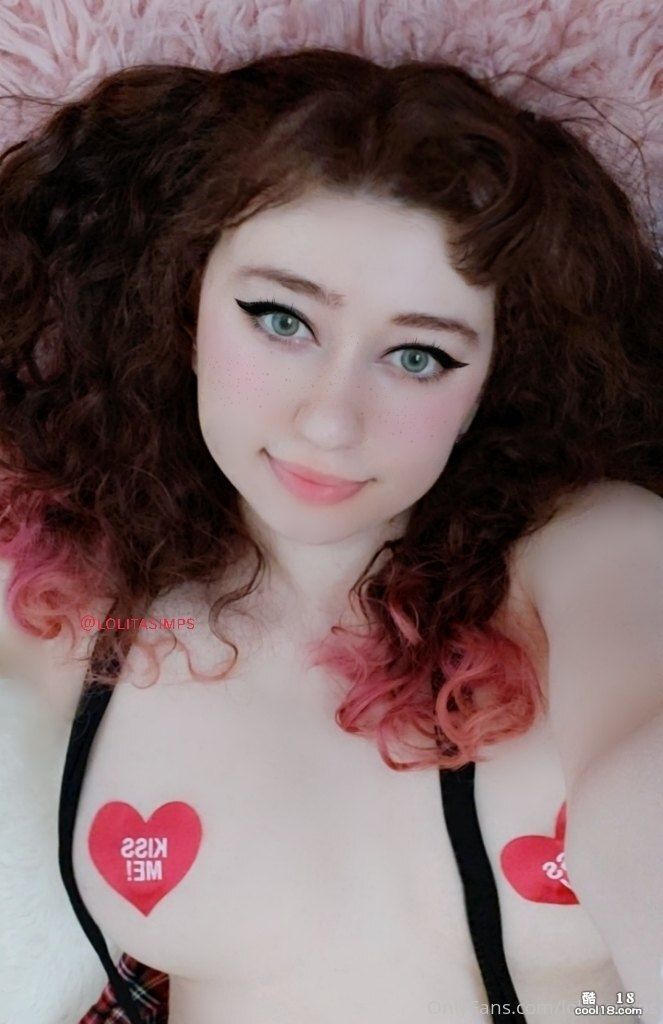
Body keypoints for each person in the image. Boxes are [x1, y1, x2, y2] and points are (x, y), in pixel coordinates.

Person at [0, 46, 661, 1024]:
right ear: (182, 301)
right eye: (280, 319)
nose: (330, 420)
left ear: (494, 376)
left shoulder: (591, 551)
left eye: (418, 355)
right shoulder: (77, 597)